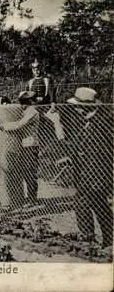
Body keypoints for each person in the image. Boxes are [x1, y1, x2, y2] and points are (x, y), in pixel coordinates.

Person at [59, 88, 112, 248]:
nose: (75, 109)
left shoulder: (100, 124)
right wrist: (71, 157)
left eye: (77, 106)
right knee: (96, 205)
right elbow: (82, 146)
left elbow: (100, 154)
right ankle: (99, 239)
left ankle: (94, 238)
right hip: (87, 174)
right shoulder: (88, 122)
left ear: (85, 106)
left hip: (95, 174)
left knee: (90, 205)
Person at [0, 91, 40, 209]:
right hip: (23, 145)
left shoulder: (32, 112)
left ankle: (32, 199)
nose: (21, 105)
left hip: (31, 145)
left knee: (30, 172)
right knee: (24, 171)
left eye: (23, 102)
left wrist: (4, 126)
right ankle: (29, 197)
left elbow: (19, 124)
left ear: (29, 102)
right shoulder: (26, 111)